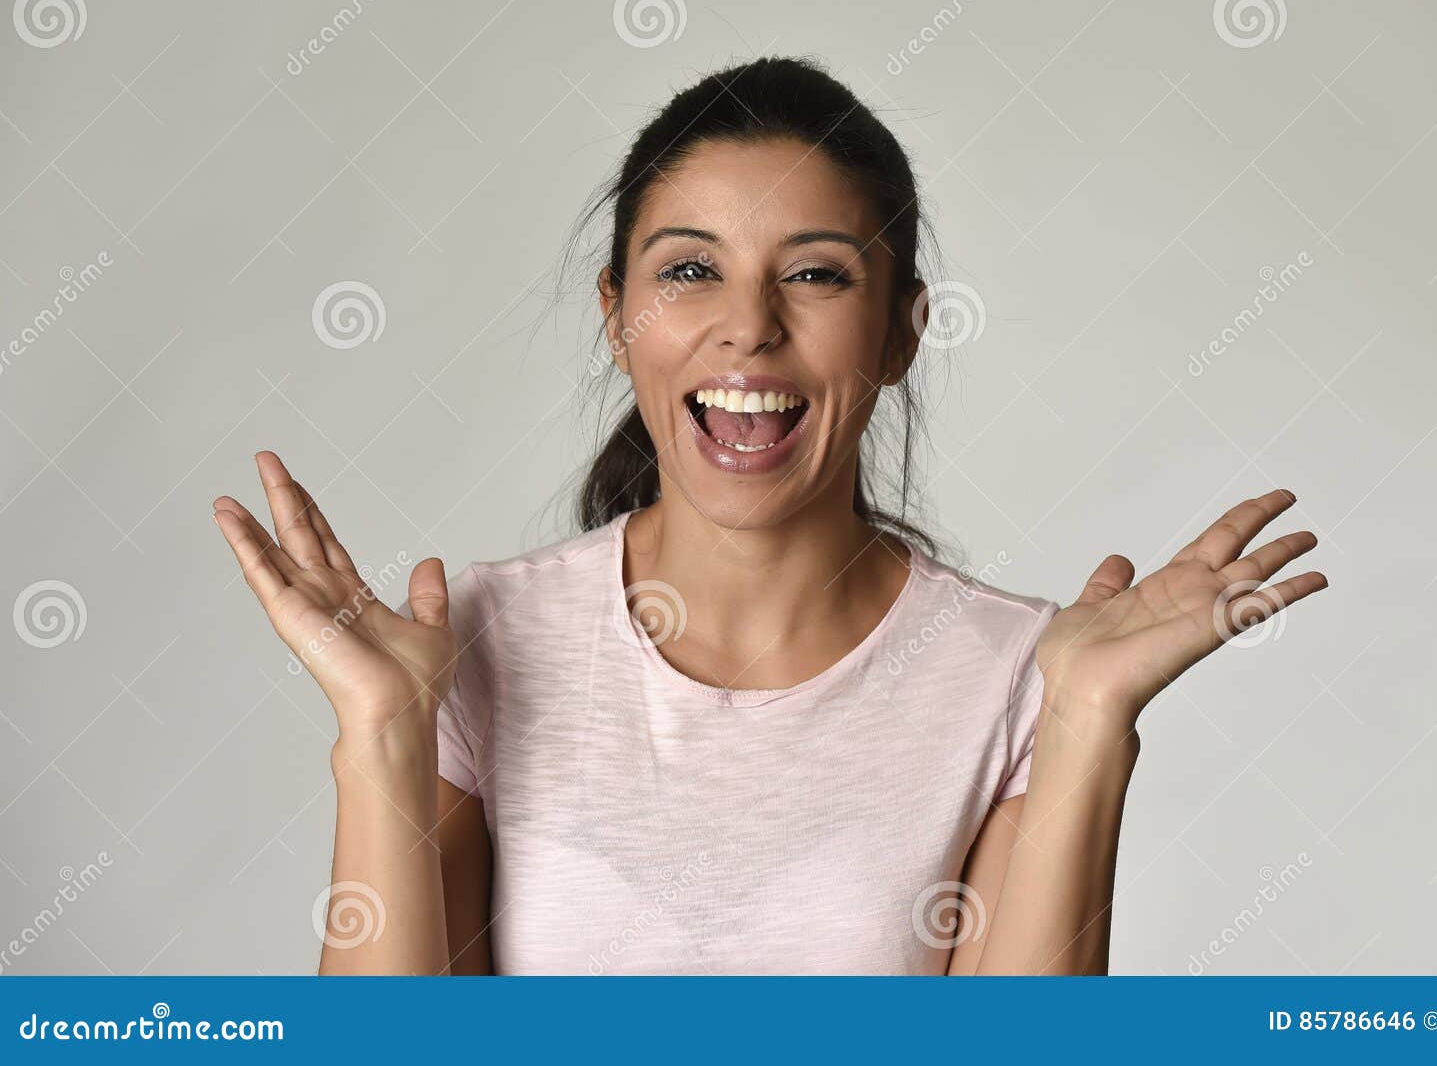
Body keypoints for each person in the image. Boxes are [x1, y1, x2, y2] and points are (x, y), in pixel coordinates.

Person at [212, 56, 1327, 974]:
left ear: (899, 333)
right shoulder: (467, 649)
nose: (748, 327)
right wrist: (383, 731)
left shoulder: (1017, 673)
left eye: (819, 276)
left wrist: (1087, 720)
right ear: (618, 316)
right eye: (690, 270)